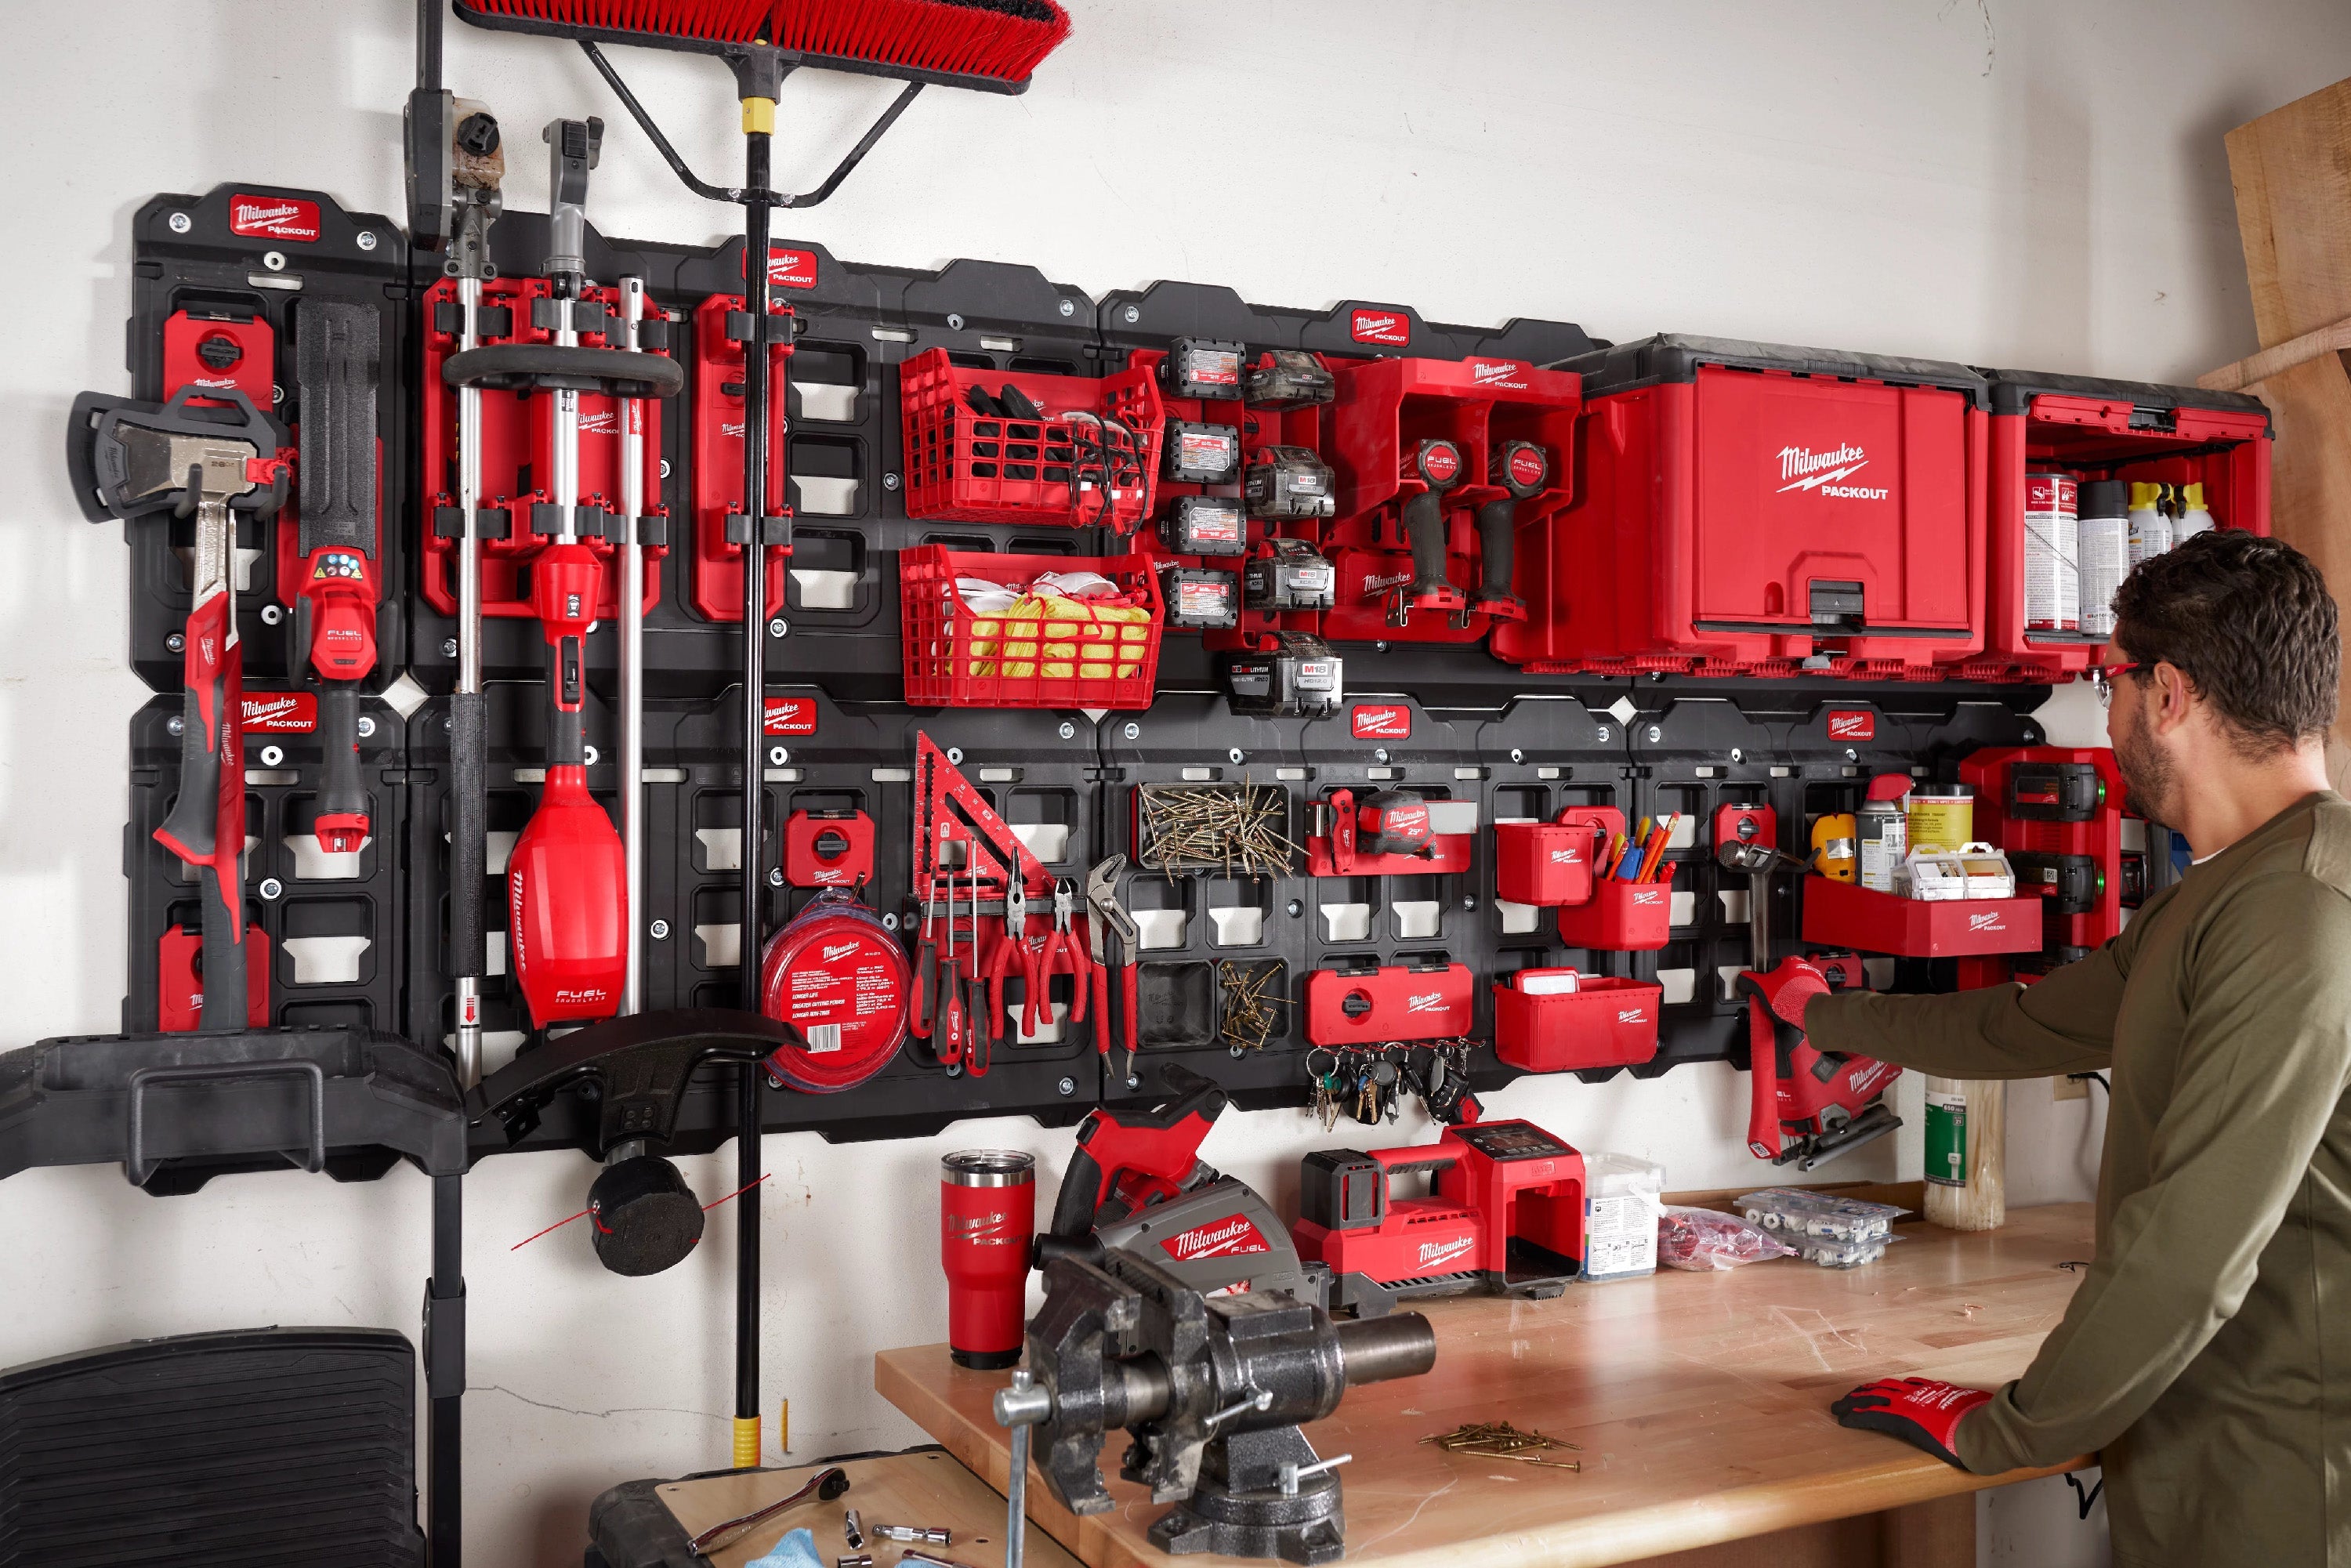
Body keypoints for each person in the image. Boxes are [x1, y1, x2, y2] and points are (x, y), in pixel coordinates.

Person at [1814, 529, 2351, 1568]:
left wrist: (2011, 1426)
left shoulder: (2297, 911)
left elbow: (2191, 1250)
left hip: (2288, 1488)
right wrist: (1820, 1014)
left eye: (2109, 681)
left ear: (2168, 695)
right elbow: (2028, 1022)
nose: (2104, 717)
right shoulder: (2235, 893)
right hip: (2204, 1455)